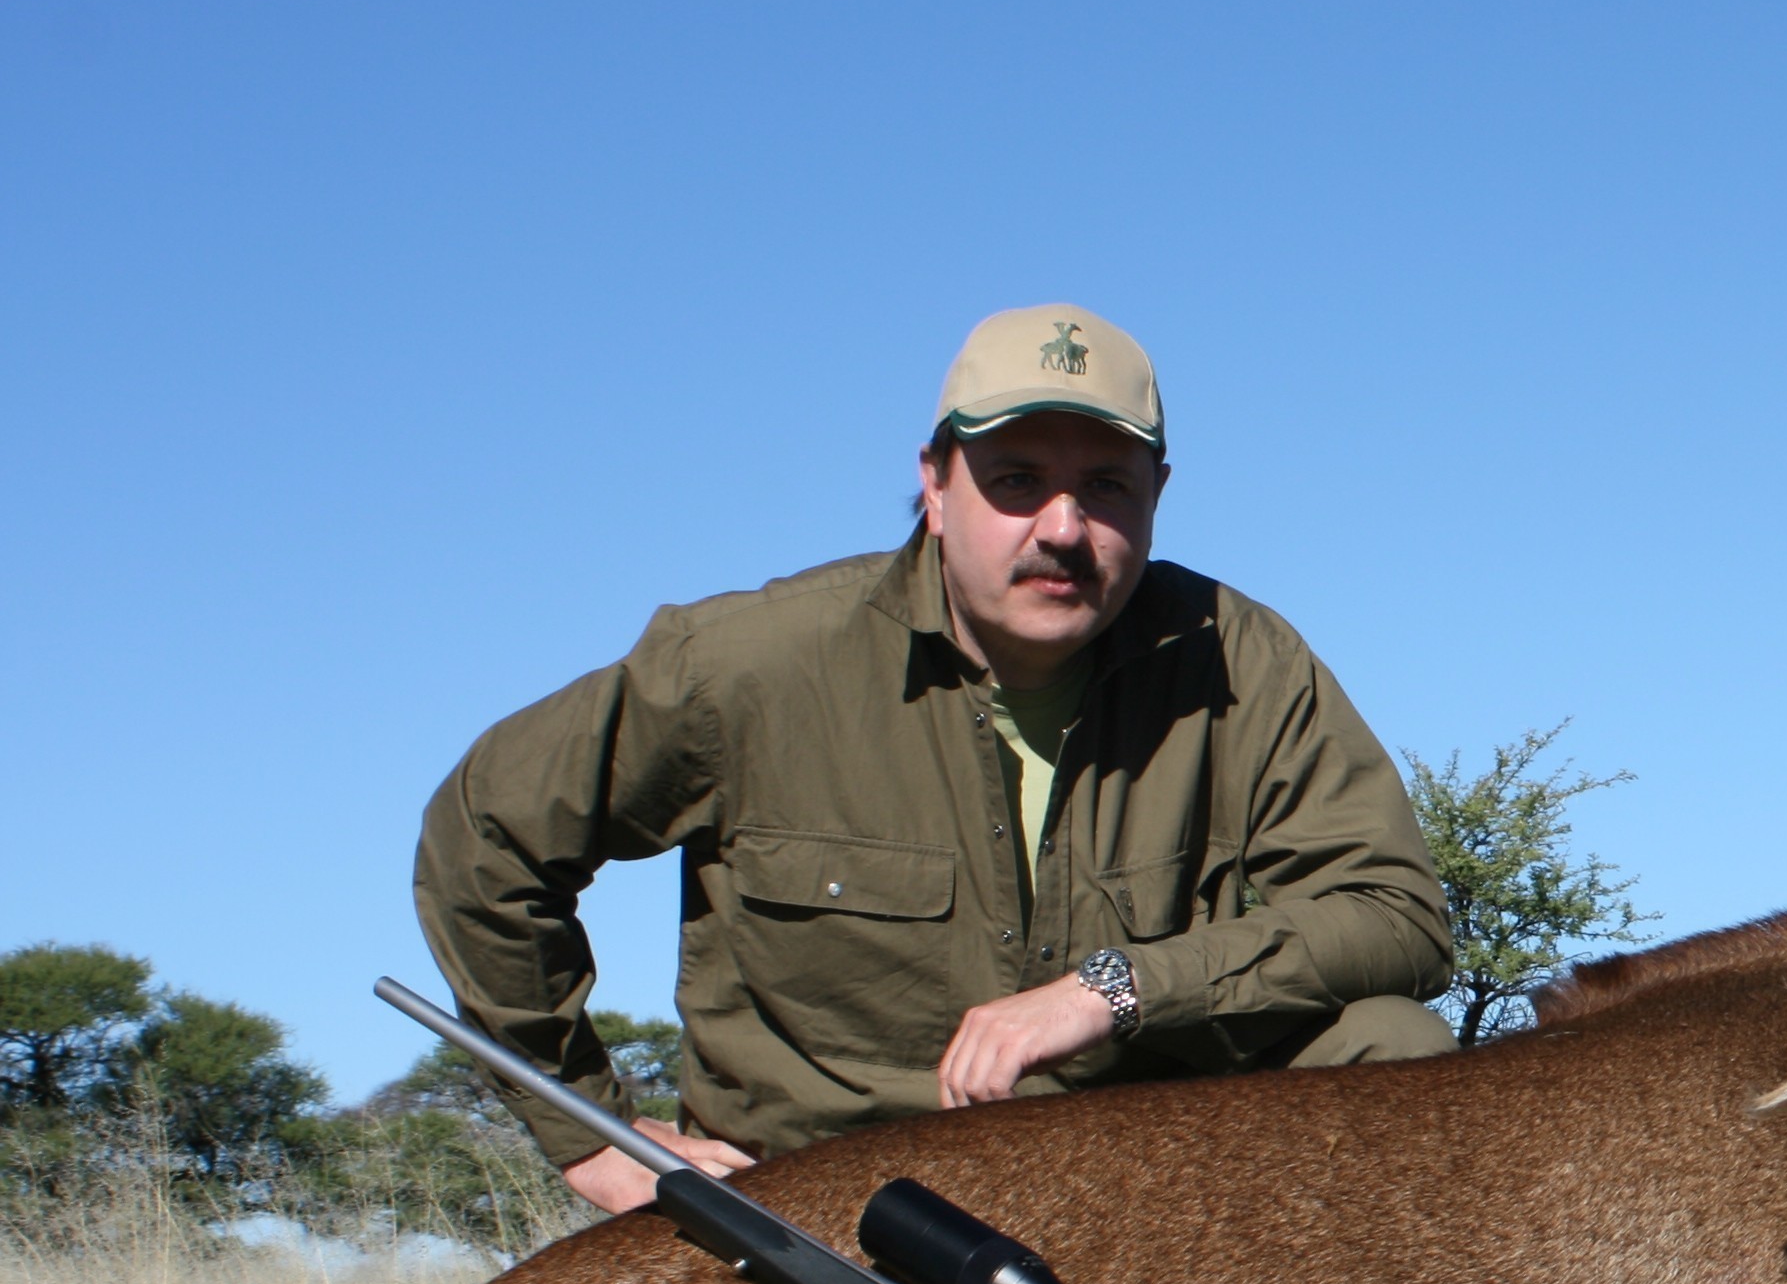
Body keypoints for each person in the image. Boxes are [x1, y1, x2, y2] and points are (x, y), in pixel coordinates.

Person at [420, 303, 1457, 1216]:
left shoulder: (1244, 659)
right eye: (1016, 480)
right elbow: (486, 837)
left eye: (1106, 486)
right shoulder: (743, 665)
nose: (1064, 527)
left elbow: (1395, 914)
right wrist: (596, 1139)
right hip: (838, 1194)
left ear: (1158, 492)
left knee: (1394, 1046)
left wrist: (1112, 989)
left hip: (1144, 1174)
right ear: (934, 483)